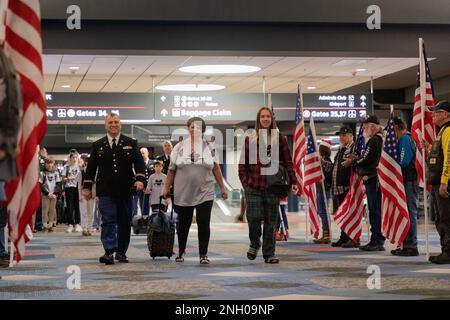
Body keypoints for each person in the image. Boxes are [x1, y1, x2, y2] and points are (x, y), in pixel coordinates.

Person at [83, 113, 146, 265]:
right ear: (106, 125)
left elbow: (139, 163)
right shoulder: (97, 145)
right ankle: (109, 251)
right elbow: (91, 168)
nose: (113, 125)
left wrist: (140, 179)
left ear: (120, 124)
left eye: (116, 122)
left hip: (125, 189)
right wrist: (87, 187)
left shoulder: (130, 142)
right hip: (105, 190)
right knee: (108, 220)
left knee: (124, 222)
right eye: (110, 122)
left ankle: (121, 252)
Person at [163, 117, 227, 265]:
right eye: (192, 127)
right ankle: (181, 251)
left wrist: (222, 188)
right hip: (183, 192)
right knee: (183, 224)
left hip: (205, 191)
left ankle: (203, 254)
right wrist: (165, 188)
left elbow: (216, 168)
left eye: (198, 127)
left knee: (204, 223)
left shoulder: (210, 147)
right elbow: (171, 170)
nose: (194, 129)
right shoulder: (179, 147)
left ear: (202, 130)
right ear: (188, 128)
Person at [238, 107, 298, 264]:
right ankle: (255, 243)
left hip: (273, 187)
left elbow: (288, 162)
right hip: (253, 186)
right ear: (258, 120)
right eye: (262, 116)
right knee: (253, 218)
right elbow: (242, 165)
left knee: (271, 222)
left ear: (272, 119)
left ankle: (269, 253)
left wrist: (294, 181)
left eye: (268, 116)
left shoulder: (280, 139)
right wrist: (246, 183)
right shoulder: (250, 139)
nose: (265, 119)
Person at [343, 115, 384, 251]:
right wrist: (358, 158)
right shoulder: (374, 140)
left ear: (372, 126)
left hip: (373, 179)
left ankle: (377, 240)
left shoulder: (375, 140)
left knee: (375, 210)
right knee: (374, 210)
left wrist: (353, 161)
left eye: (365, 127)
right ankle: (376, 239)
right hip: (371, 178)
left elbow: (367, 159)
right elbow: (366, 157)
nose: (364, 129)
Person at [391, 117, 419, 256]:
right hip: (406, 180)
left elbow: (404, 160)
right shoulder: (404, 139)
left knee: (409, 212)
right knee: (405, 212)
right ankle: (405, 243)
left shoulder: (405, 139)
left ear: (396, 128)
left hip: (409, 180)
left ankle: (411, 245)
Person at [426, 101, 450, 264]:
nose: (433, 115)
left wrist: (444, 182)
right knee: (440, 218)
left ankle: (447, 252)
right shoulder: (442, 131)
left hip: (443, 183)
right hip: (436, 182)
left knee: (445, 219)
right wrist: (428, 147)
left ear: (446, 114)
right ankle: (445, 250)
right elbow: (439, 154)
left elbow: (449, 157)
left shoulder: (448, 130)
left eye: (437, 112)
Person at [330, 126, 360, 248]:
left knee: (349, 213)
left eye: (344, 135)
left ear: (350, 136)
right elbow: (335, 167)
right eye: (340, 135)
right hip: (339, 187)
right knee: (343, 214)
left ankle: (353, 237)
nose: (341, 137)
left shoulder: (354, 148)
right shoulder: (341, 150)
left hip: (348, 186)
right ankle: (344, 237)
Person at [314, 139, 333, 244]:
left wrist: (322, 162)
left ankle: (326, 234)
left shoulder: (327, 160)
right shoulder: (322, 160)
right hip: (320, 189)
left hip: (324, 190)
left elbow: (329, 166)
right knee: (321, 211)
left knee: (323, 212)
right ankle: (325, 233)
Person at [39, 157, 61, 232]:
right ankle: (45, 225)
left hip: (54, 195)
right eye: (47, 163)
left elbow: (58, 184)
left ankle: (51, 224)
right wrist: (47, 193)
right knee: (45, 210)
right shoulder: (42, 173)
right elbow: (40, 185)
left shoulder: (56, 173)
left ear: (53, 164)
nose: (49, 165)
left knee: (52, 210)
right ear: (45, 164)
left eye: (50, 163)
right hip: (46, 194)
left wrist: (55, 193)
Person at [62, 151, 82, 233]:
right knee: (69, 206)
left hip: (78, 188)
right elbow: (62, 179)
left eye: (76, 157)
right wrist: (68, 178)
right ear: (70, 158)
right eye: (73, 157)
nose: (74, 159)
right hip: (69, 188)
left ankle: (77, 223)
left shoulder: (80, 167)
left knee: (77, 206)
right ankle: (70, 224)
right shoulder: (66, 167)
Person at [131, 147, 154, 217]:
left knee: (146, 207)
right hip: (138, 188)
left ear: (147, 153)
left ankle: (145, 220)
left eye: (143, 153)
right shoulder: (135, 164)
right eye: (140, 153)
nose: (142, 155)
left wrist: (148, 187)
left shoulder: (153, 163)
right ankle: (134, 221)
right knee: (134, 206)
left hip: (149, 189)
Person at [79, 154, 95, 236]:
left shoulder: (95, 172)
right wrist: (80, 195)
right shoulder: (81, 172)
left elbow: (96, 184)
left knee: (91, 212)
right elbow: (79, 185)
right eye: (87, 162)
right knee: (84, 212)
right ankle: (84, 228)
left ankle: (89, 228)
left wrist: (96, 194)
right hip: (83, 194)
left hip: (92, 194)